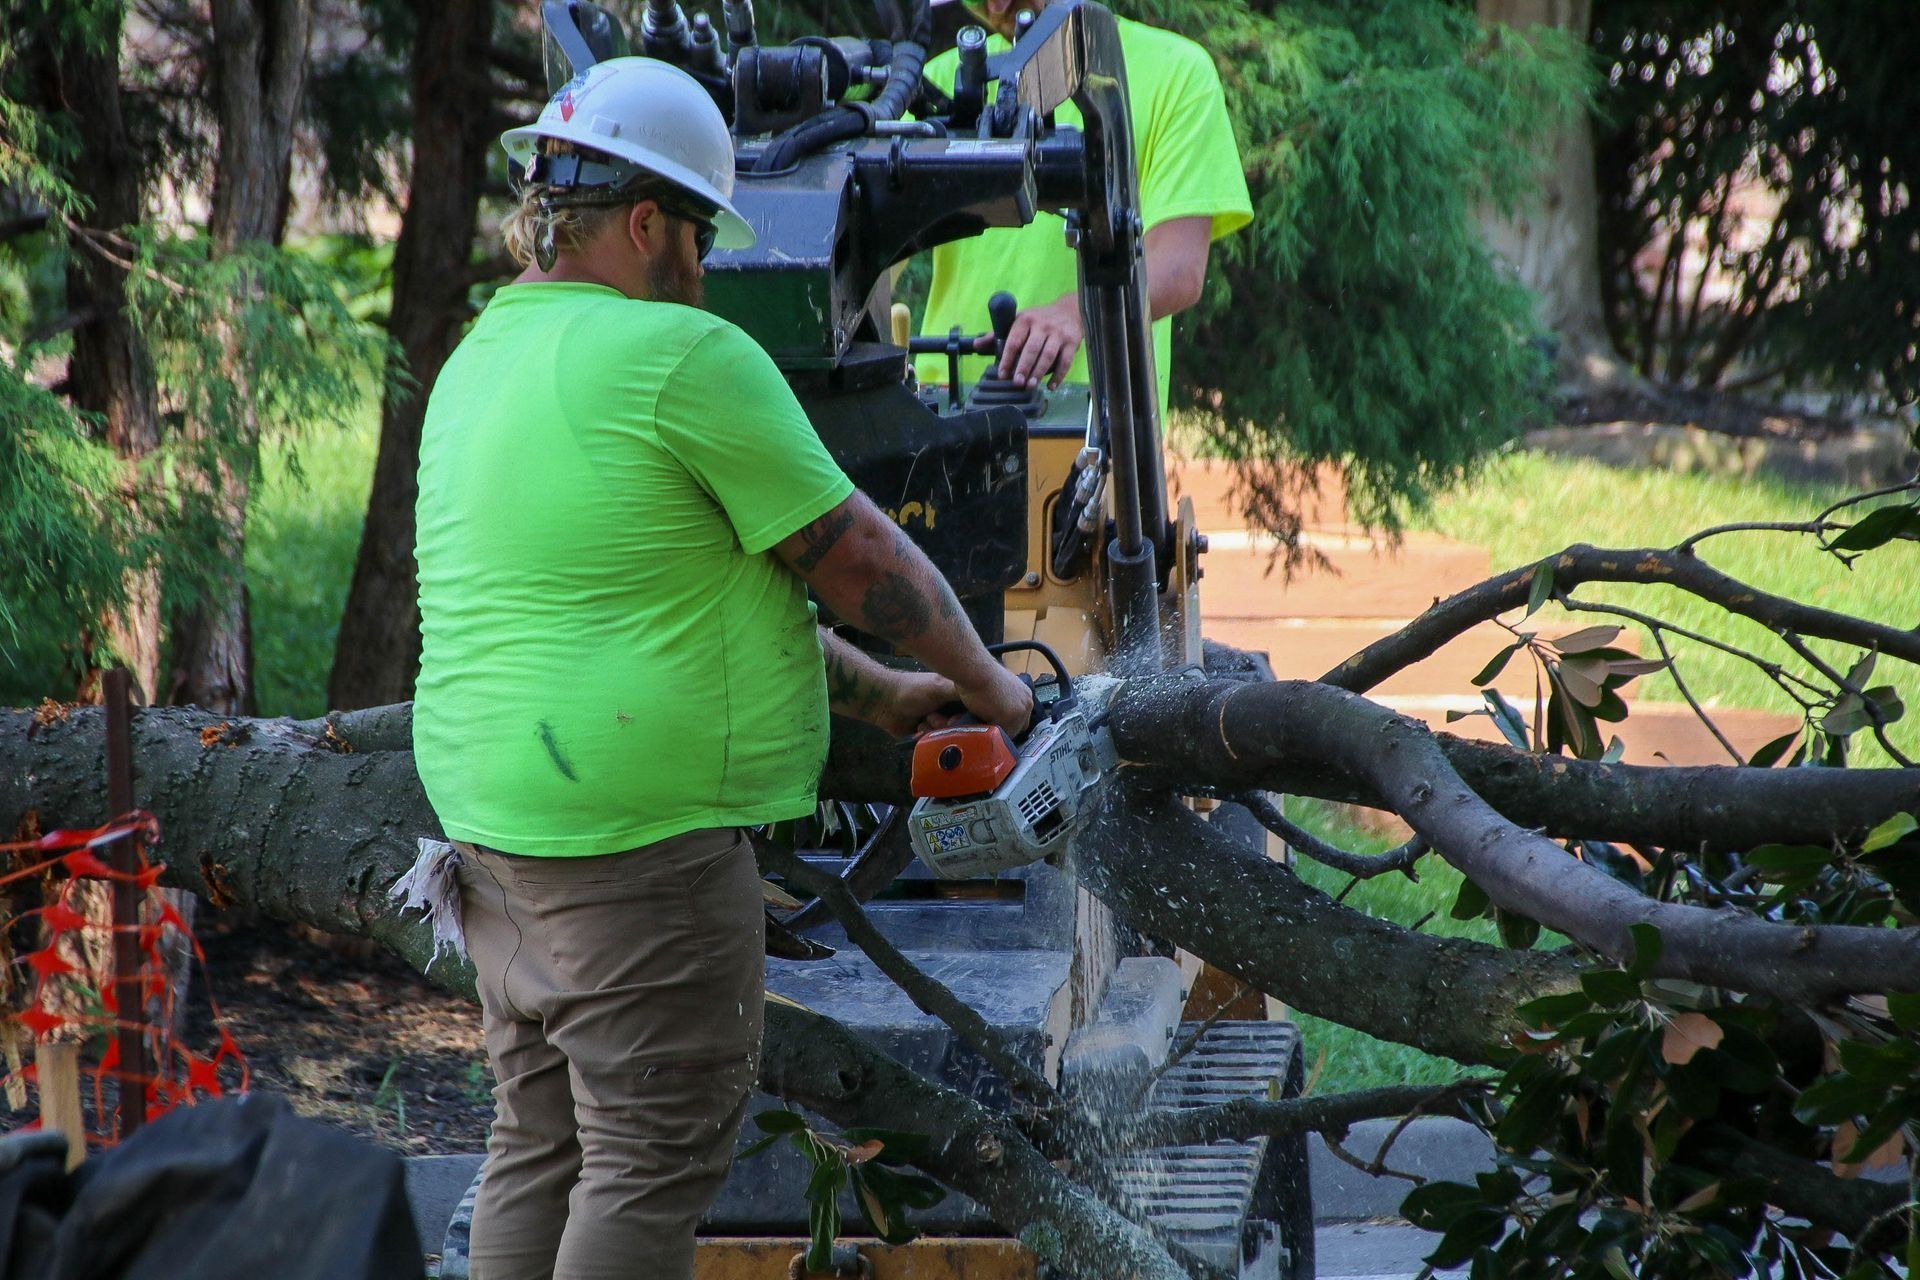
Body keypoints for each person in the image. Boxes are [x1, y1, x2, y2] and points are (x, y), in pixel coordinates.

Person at [411, 56, 1033, 1280]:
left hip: (495, 837)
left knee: (539, 1140)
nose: (708, 267)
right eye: (698, 232)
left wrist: (885, 692)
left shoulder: (479, 360)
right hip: (636, 853)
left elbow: (667, 598)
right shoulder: (684, 358)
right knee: (647, 1157)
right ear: (645, 223)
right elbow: (855, 555)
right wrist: (995, 685)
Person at [914, 0, 1253, 409]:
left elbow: (1179, 266)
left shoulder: (1177, 72)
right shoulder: (939, 82)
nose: (996, 6)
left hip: (1101, 436)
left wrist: (1076, 312)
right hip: (939, 419)